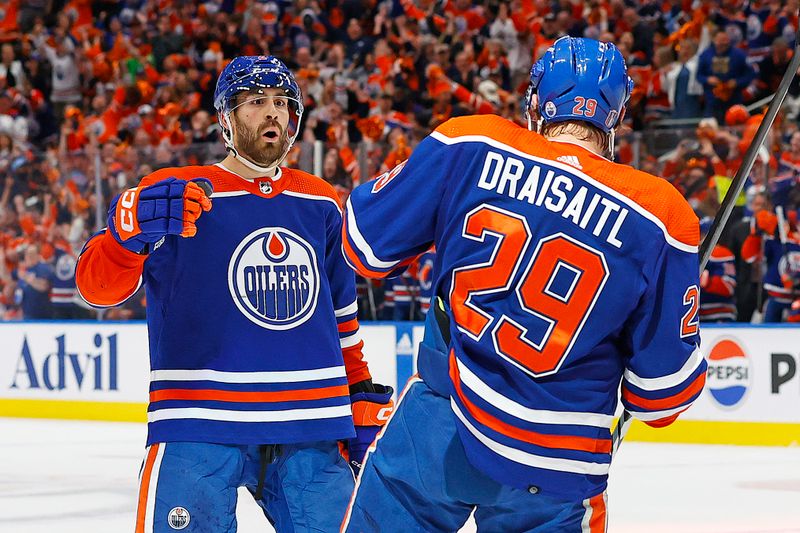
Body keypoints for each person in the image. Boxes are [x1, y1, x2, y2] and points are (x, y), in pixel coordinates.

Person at [340, 37, 707, 532]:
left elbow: (363, 245)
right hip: (561, 459)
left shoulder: (470, 141)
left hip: (441, 423)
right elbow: (662, 399)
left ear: (535, 103)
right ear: (615, 117)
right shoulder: (662, 214)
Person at [75, 56, 392, 533]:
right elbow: (95, 289)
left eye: (283, 104)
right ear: (226, 117)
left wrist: (358, 389)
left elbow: (340, 316)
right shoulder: (174, 193)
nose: (274, 114)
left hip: (310, 424)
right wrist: (124, 237)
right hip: (197, 420)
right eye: (257, 102)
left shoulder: (323, 202)